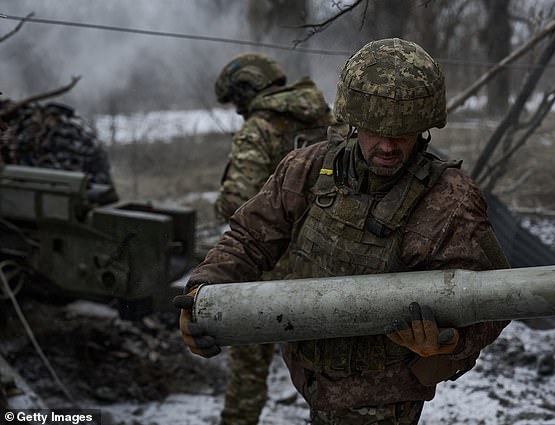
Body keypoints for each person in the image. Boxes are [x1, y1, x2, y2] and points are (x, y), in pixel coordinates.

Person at [176, 38, 510, 424]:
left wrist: (447, 343)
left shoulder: (451, 200)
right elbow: (249, 236)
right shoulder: (307, 167)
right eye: (374, 129)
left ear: (424, 126)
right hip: (313, 379)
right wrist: (202, 290)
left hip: (384, 396)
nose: (387, 145)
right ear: (353, 119)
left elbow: (493, 300)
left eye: (403, 132)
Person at [212, 52, 333, 425]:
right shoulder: (326, 119)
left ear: (249, 89)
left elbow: (237, 200)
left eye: (237, 100)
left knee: (248, 371)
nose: (238, 111)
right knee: (331, 376)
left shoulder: (260, 128)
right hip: (326, 267)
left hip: (268, 271)